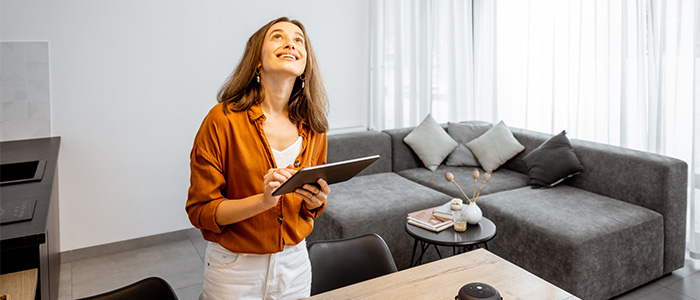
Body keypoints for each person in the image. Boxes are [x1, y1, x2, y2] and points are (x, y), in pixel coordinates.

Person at [186, 16, 330, 300]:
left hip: (295, 266)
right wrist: (264, 202)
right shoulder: (221, 120)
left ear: (305, 65)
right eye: (277, 36)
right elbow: (200, 211)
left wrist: (315, 202)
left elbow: (310, 204)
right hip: (235, 269)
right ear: (257, 60)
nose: (291, 42)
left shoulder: (314, 126)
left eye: (299, 40)